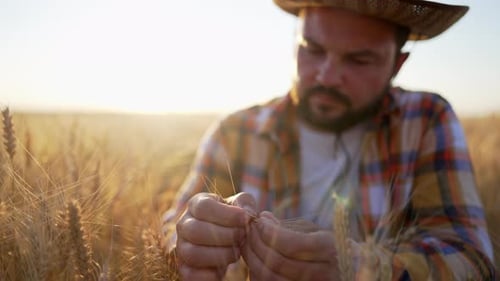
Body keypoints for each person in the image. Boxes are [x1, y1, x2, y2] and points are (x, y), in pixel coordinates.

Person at [161, 0, 496, 280]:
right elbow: (170, 233)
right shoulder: (236, 132)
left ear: (397, 64)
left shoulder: (424, 120)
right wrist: (189, 243)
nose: (327, 76)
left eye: (359, 59)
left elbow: (472, 260)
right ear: (295, 41)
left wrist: (362, 268)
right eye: (312, 50)